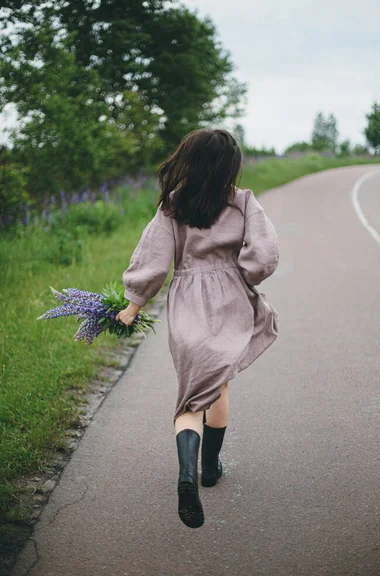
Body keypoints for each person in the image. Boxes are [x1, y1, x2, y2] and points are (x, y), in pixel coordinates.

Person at [115, 129, 279, 529]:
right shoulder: (243, 202)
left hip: (187, 301)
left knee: (191, 393)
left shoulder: (173, 206)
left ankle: (187, 474)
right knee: (219, 381)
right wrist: (244, 276)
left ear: (188, 161)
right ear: (230, 166)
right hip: (231, 300)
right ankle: (210, 469)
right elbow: (265, 254)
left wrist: (133, 305)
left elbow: (153, 260)